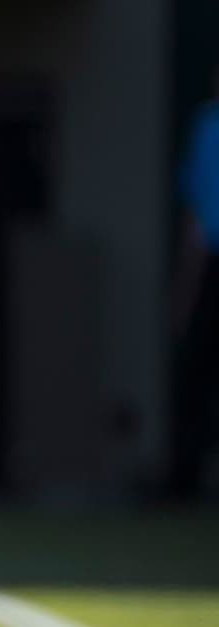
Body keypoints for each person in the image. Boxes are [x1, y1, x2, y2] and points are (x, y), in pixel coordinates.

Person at [168, 62, 219, 500]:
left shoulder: (207, 126)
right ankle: (186, 477)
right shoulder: (208, 127)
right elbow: (196, 222)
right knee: (196, 376)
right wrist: (186, 288)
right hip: (210, 266)